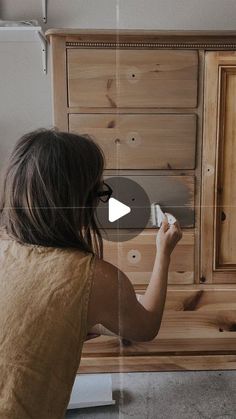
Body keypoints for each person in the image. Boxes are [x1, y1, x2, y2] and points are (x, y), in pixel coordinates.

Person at [0, 129, 182, 419]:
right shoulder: (94, 277)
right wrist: (164, 251)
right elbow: (146, 326)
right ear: (80, 200)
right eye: (99, 192)